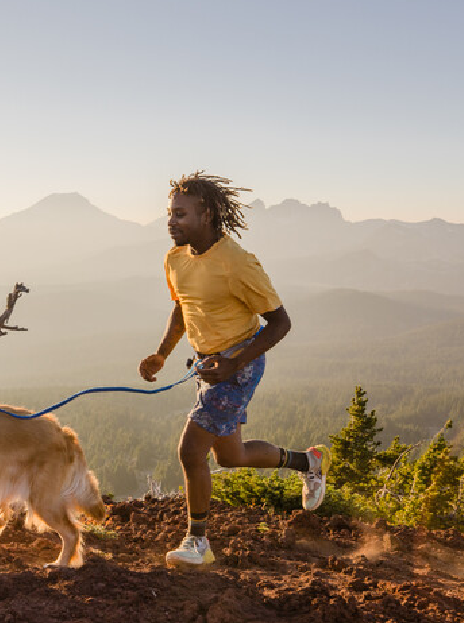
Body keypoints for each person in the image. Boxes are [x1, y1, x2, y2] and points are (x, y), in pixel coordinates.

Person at [138, 171, 329, 567]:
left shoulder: (237, 263)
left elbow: (280, 322)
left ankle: (198, 543)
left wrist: (233, 364)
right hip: (209, 365)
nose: (171, 222)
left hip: (238, 364)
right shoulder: (175, 258)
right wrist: (161, 353)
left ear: (206, 214)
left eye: (180, 214)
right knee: (231, 456)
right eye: (170, 213)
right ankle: (309, 462)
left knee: (191, 451)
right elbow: (183, 307)